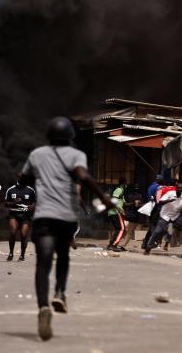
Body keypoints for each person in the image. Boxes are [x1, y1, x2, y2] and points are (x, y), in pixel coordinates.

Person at [22, 117, 115, 341]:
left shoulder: (37, 154)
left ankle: (43, 306)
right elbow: (83, 176)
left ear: (49, 135)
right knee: (62, 255)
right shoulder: (77, 155)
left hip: (44, 216)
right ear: (71, 136)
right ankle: (60, 293)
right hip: (65, 218)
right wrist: (103, 197)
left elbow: (24, 178)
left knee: (43, 263)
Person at [144, 184, 182, 256]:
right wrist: (169, 200)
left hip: (176, 216)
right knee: (157, 231)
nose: (179, 190)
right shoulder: (170, 193)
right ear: (175, 189)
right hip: (165, 216)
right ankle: (148, 248)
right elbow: (160, 202)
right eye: (178, 189)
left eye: (181, 189)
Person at [4, 176, 37, 261]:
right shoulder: (11, 190)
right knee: (13, 232)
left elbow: (35, 202)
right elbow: (5, 204)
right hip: (14, 215)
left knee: (23, 234)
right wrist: (13, 203)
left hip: (26, 216)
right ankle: (11, 253)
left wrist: (31, 206)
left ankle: (22, 255)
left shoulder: (31, 190)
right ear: (18, 179)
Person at [107, 178, 127, 252]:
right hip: (115, 212)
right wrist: (120, 210)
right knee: (121, 229)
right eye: (126, 183)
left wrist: (133, 204)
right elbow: (113, 201)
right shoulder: (119, 190)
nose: (126, 185)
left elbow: (124, 203)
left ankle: (111, 245)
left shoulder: (121, 191)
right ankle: (114, 245)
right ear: (124, 184)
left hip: (114, 212)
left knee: (118, 229)